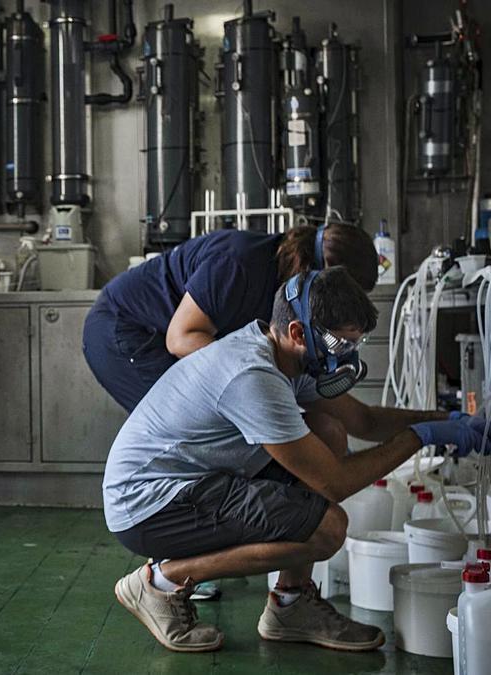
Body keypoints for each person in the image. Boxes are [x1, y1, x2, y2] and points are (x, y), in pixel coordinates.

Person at [104, 266, 488, 653]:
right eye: (341, 345)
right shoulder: (253, 376)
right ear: (298, 333)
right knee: (328, 529)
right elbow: (333, 483)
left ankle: (290, 604)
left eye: (356, 344)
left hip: (194, 479)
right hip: (149, 503)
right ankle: (159, 583)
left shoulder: (288, 356)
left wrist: (448, 420)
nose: (348, 356)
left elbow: (365, 420)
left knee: (329, 430)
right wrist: (421, 438)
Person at [83, 224, 379, 412]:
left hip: (163, 334)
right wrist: (263, 378)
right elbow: (182, 337)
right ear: (324, 273)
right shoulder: (239, 264)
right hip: (125, 329)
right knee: (197, 428)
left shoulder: (291, 290)